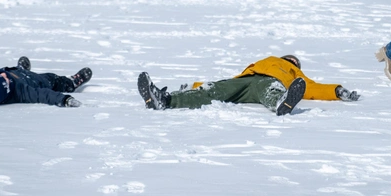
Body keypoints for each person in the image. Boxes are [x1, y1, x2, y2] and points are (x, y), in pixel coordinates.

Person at [137, 55, 360, 116]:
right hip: (244, 81)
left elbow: (312, 88)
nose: (292, 61)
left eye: (294, 61)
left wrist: (337, 91)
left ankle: (282, 102)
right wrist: (194, 85)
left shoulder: (295, 74)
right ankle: (164, 100)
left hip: (271, 83)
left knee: (271, 91)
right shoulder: (265, 61)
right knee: (213, 90)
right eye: (292, 60)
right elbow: (221, 82)